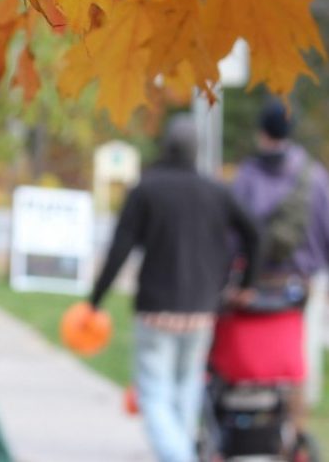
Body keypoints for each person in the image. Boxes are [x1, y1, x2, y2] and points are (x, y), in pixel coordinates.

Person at [89, 114, 261, 462]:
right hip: (201, 310)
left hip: (156, 310)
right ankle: (180, 452)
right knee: (184, 390)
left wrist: (96, 300)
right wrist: (246, 284)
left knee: (153, 393)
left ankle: (180, 457)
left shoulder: (147, 189)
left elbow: (119, 249)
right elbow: (254, 233)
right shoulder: (215, 191)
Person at [231, 99, 329, 439]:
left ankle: (247, 422)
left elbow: (231, 234)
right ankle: (294, 430)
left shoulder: (247, 177)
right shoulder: (315, 177)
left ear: (261, 132)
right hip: (299, 286)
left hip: (254, 283)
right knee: (296, 359)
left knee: (251, 349)